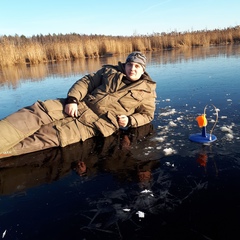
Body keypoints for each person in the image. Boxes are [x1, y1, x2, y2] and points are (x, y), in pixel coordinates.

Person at [0, 51, 156, 158]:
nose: (132, 69)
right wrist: (73, 99)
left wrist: (130, 121)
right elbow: (86, 82)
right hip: (80, 105)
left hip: (94, 124)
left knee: (48, 136)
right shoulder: (110, 72)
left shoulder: (147, 91)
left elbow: (147, 115)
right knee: (37, 112)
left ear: (143, 70)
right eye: (130, 64)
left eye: (137, 66)